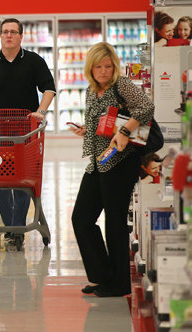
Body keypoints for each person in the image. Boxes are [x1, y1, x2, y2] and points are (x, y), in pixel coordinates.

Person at [68, 42, 154, 297]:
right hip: (98, 161)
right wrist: (86, 130)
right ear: (90, 68)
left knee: (115, 222)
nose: (104, 71)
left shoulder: (122, 84)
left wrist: (126, 131)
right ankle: (100, 276)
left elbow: (146, 107)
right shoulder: (90, 90)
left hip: (120, 161)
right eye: (99, 67)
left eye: (108, 66)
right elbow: (102, 121)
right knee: (81, 218)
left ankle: (118, 284)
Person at [0, 18, 56, 250]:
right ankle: (12, 229)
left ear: (21, 36)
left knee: (23, 180)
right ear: (0, 35)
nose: (9, 36)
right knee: (1, 179)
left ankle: (15, 229)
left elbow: (49, 88)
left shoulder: (34, 61)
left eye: (14, 32)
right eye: (5, 32)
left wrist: (41, 111)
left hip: (26, 132)